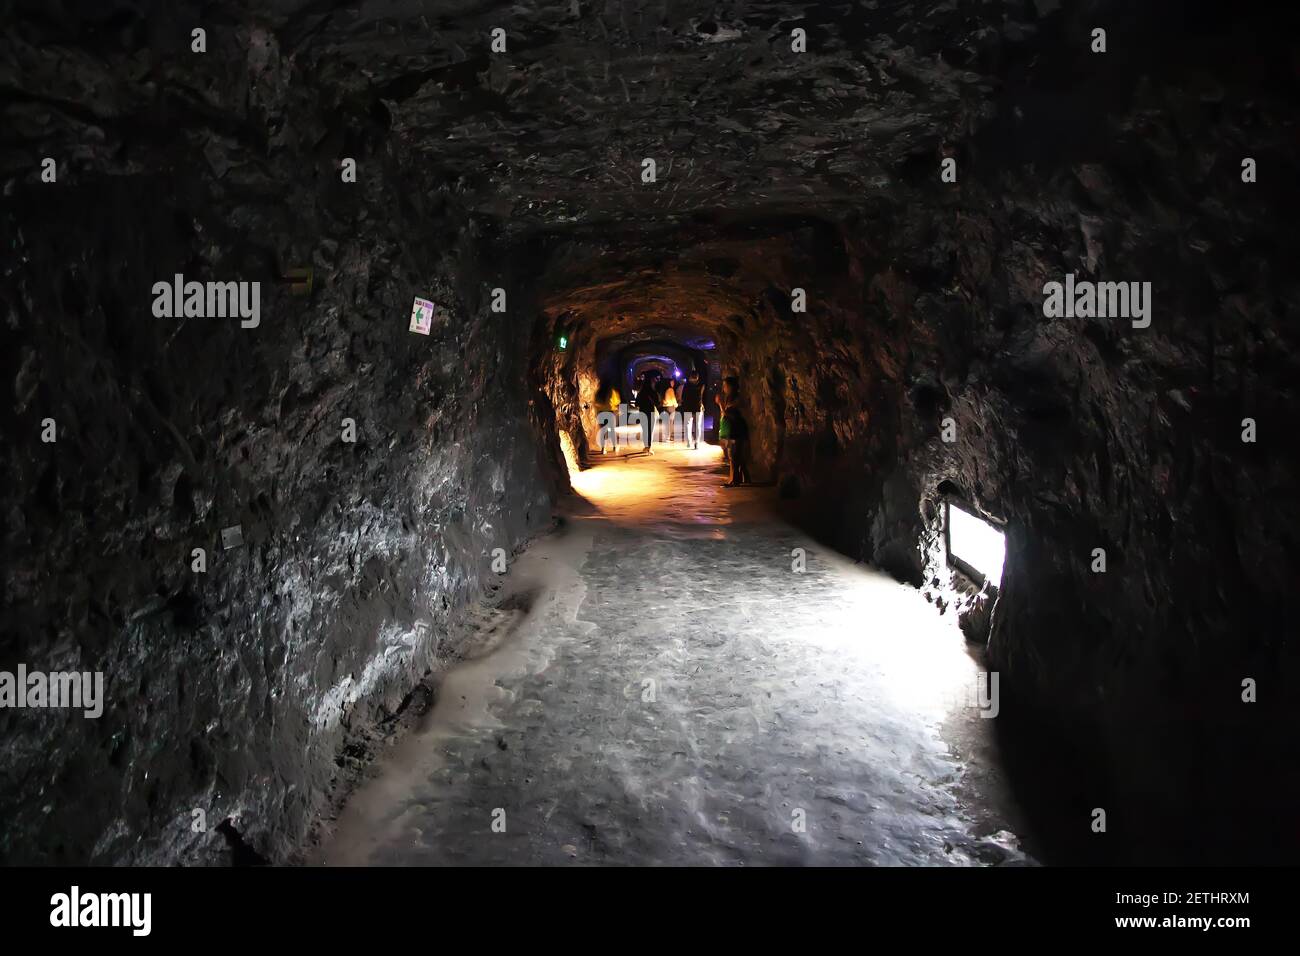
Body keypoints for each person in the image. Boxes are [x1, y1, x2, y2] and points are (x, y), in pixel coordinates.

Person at [717, 376, 751, 486]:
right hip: (734, 429)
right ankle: (742, 478)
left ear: (731, 386)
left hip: (737, 429)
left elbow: (730, 414)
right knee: (735, 455)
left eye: (725, 386)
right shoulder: (730, 397)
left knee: (734, 455)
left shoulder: (736, 398)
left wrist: (720, 404)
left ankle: (734, 480)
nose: (724, 388)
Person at [678, 368, 705, 449]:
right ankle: (696, 443)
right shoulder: (701, 385)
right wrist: (702, 404)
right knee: (697, 426)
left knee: (688, 426)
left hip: (688, 408)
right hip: (697, 407)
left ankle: (689, 441)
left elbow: (683, 397)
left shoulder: (686, 386)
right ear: (697, 377)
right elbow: (702, 397)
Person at [633, 371, 659, 453]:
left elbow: (636, 403)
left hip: (643, 412)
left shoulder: (641, 392)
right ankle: (649, 447)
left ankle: (646, 447)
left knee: (645, 430)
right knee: (650, 430)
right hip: (651, 412)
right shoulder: (653, 391)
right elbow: (657, 403)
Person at [592, 380, 620, 454]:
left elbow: (595, 403)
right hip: (610, 413)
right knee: (612, 431)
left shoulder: (598, 393)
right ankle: (614, 447)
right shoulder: (612, 392)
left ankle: (603, 449)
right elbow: (617, 402)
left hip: (601, 413)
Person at [661, 377, 680, 443]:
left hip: (665, 407)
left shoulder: (664, 389)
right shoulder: (670, 390)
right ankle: (668, 437)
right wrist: (676, 405)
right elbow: (673, 399)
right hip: (671, 407)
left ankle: (665, 437)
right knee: (670, 423)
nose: (673, 383)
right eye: (672, 382)